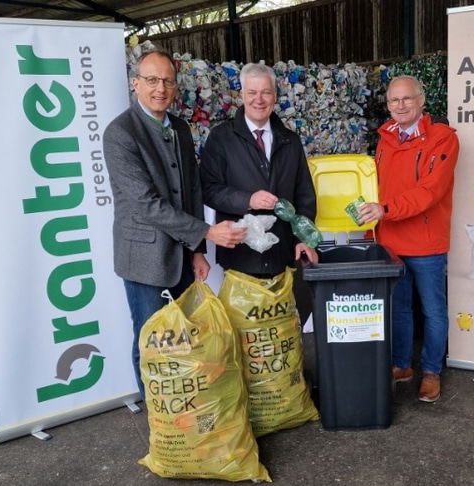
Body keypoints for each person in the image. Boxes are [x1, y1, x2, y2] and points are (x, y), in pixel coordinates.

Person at [103, 47, 247, 399]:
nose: (160, 88)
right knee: (152, 340)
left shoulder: (180, 128)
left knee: (186, 338)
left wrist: (198, 249)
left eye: (167, 81)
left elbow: (192, 190)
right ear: (135, 84)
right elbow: (146, 204)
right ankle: (161, 426)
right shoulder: (120, 133)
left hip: (183, 254)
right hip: (144, 258)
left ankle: (187, 409)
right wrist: (208, 232)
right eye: (151, 80)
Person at [358, 75, 460, 403]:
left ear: (421, 100)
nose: (400, 106)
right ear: (388, 106)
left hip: (426, 241)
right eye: (394, 101)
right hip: (391, 240)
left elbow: (429, 192)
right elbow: (374, 187)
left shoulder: (442, 139)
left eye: (407, 99)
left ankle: (431, 371)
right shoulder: (385, 139)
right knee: (398, 308)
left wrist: (385, 209)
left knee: (433, 310)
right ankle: (402, 365)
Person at [200, 62, 319, 278]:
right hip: (240, 255)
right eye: (252, 92)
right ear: (242, 95)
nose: (259, 100)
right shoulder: (221, 138)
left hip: (283, 255)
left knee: (285, 312)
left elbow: (304, 196)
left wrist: (303, 239)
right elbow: (209, 189)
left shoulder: (290, 141)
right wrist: (248, 200)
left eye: (265, 92)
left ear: (274, 95)